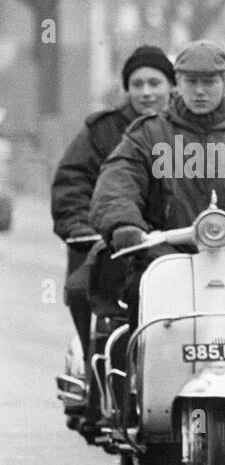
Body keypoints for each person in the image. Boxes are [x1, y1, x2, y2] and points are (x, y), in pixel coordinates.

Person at [89, 40, 225, 327]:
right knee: (138, 295)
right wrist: (124, 223)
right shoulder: (149, 135)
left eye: (209, 82)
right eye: (191, 81)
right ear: (177, 83)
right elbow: (118, 182)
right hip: (168, 263)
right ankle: (140, 369)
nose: (199, 90)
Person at [52, 45, 175, 428]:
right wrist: (85, 231)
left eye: (155, 82)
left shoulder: (185, 132)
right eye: (137, 84)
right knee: (79, 289)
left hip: (171, 245)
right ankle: (95, 373)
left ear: (172, 86)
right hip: (111, 245)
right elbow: (71, 186)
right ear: (127, 89)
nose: (146, 92)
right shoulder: (101, 130)